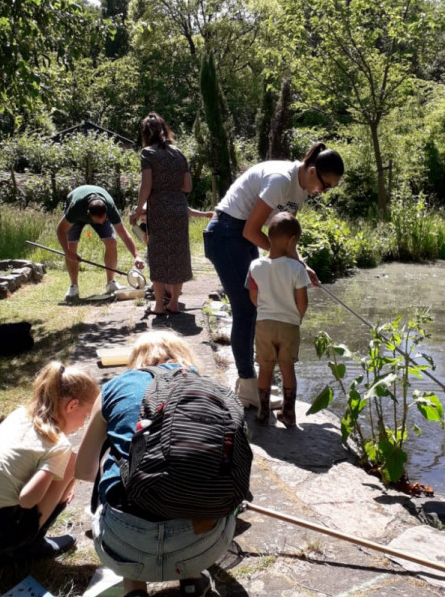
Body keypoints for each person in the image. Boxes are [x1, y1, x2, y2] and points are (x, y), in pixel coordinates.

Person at [75, 330, 240, 597]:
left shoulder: (115, 388)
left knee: (113, 465)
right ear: (184, 358)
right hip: (202, 546)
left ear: (137, 362)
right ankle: (191, 578)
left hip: (126, 546)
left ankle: (134, 592)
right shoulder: (215, 390)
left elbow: (84, 470)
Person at [203, 142, 344, 408]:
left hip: (240, 235)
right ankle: (248, 389)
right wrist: (290, 260)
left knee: (257, 306)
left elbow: (283, 236)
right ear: (313, 172)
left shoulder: (300, 190)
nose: (323, 192)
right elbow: (252, 231)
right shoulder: (282, 179)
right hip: (225, 233)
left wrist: (301, 264)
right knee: (246, 308)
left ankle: (252, 381)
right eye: (326, 186)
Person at [0, 361, 99, 562]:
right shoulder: (58, 445)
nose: (83, 423)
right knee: (72, 464)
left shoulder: (19, 415)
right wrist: (59, 488)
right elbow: (28, 499)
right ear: (72, 405)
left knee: (64, 465)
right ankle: (30, 544)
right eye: (85, 416)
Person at [246, 212, 310, 427]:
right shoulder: (297, 268)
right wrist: (296, 318)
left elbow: (253, 296)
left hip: (264, 324)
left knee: (265, 368)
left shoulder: (255, 266)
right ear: (292, 241)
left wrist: (265, 311)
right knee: (287, 369)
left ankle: (263, 413)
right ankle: (289, 414)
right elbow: (302, 302)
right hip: (289, 325)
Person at [130, 113, 193, 316]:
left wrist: (138, 211)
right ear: (165, 130)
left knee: (158, 255)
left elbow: (146, 186)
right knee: (179, 253)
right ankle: (174, 303)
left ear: (146, 134)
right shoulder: (179, 153)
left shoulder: (147, 154)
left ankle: (158, 305)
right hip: (179, 210)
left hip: (159, 211)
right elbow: (187, 187)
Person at [57, 184, 144, 302]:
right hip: (77, 208)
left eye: (104, 219)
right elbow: (60, 230)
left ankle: (111, 283)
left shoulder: (110, 207)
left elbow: (123, 233)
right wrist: (67, 252)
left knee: (112, 241)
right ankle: (73, 287)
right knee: (71, 246)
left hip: (98, 207)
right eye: (99, 220)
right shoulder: (76, 209)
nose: (102, 222)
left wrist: (136, 256)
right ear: (89, 214)